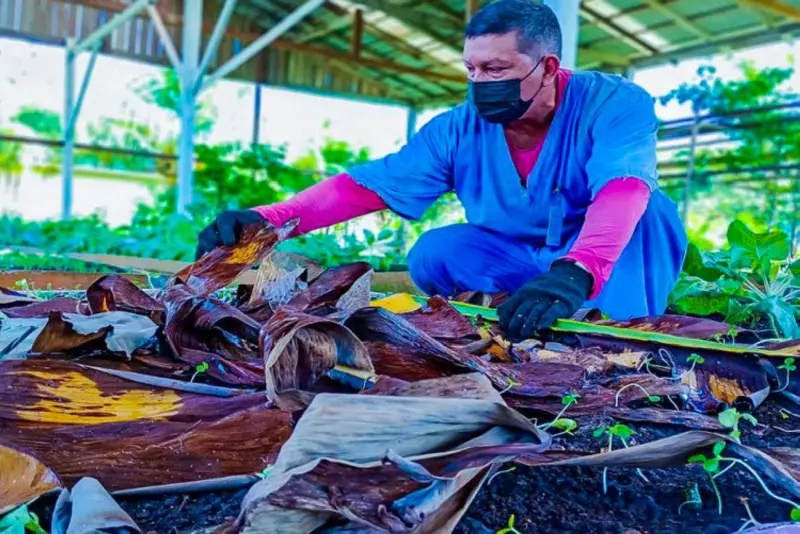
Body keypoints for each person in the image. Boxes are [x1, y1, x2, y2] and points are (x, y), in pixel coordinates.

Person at [195, 0, 687, 341]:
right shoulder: (457, 129)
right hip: (525, 260)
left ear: (547, 66)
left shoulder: (614, 102)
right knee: (436, 252)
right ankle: (524, 316)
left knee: (649, 214)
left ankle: (618, 326)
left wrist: (578, 271)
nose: (478, 83)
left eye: (495, 70)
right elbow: (370, 186)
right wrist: (268, 218)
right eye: (471, 70)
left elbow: (622, 188)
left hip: (603, 260)